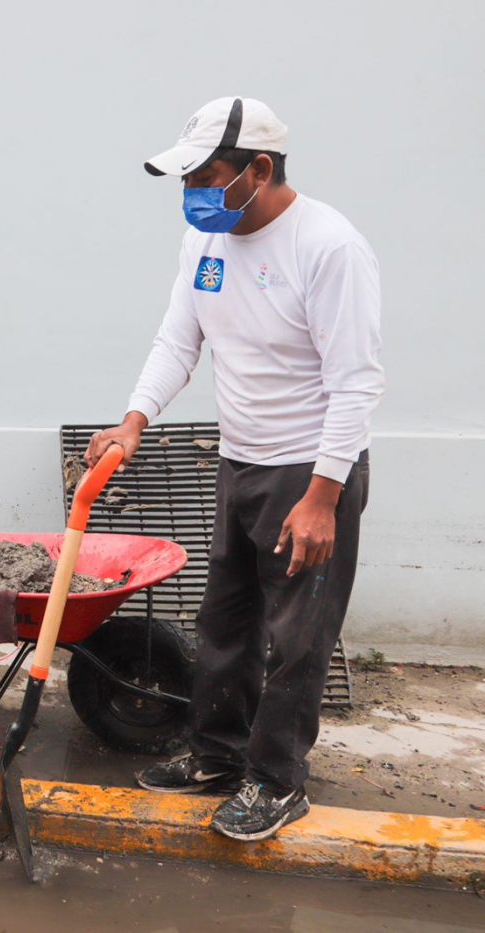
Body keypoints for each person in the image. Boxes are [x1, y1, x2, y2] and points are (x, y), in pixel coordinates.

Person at [86, 97, 383, 841]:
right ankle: (218, 753)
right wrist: (133, 419)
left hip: (309, 476)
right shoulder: (205, 242)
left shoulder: (328, 247)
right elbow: (177, 342)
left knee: (297, 639)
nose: (192, 194)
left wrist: (323, 495)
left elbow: (357, 382)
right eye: (184, 180)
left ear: (259, 168)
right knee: (225, 623)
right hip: (239, 461)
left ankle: (278, 780)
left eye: (204, 176)